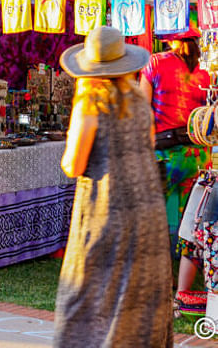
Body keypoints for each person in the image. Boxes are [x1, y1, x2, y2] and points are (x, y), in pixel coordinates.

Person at [54, 26, 172, 346]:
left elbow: (74, 165)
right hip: (145, 209)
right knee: (137, 294)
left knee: (89, 292)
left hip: (104, 208)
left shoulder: (89, 105)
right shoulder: (138, 103)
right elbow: (146, 148)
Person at [138, 26, 210, 295]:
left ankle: (159, 277)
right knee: (188, 220)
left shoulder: (154, 62)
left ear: (171, 41)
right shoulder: (204, 72)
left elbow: (141, 110)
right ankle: (184, 284)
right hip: (196, 155)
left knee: (155, 218)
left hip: (162, 155)